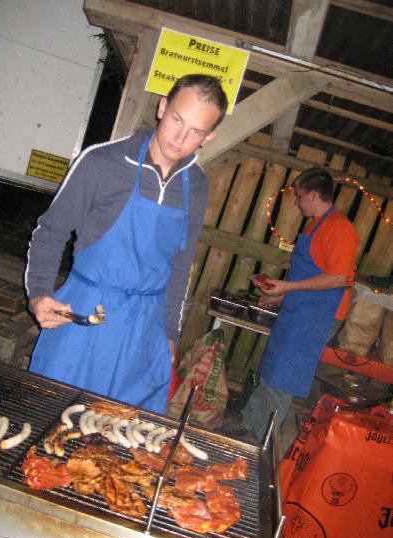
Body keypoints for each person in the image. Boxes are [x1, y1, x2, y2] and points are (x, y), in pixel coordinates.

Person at [25, 74, 228, 414]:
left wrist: (169, 332)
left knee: (121, 432)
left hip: (144, 329)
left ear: (209, 136)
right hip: (84, 315)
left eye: (195, 131)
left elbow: (180, 264)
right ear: (162, 108)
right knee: (52, 415)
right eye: (177, 119)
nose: (180, 137)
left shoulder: (196, 185)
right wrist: (39, 294)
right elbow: (51, 231)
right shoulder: (102, 162)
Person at [237, 167, 359, 442]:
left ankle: (261, 441)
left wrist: (287, 288)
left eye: (300, 195)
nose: (296, 201)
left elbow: (338, 278)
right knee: (271, 369)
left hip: (319, 316)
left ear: (314, 195)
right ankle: (248, 426)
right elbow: (310, 276)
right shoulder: (316, 225)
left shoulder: (340, 228)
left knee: (283, 377)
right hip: (300, 309)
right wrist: (281, 295)